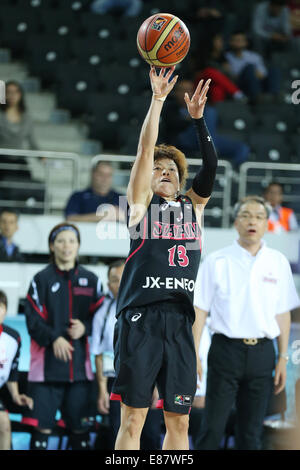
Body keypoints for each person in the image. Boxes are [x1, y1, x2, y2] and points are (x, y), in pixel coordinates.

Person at [110, 66, 218, 451]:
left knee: (180, 422)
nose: (164, 171)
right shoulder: (140, 207)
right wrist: (157, 101)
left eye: (171, 168)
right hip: (140, 318)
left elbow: (212, 167)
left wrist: (199, 120)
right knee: (134, 418)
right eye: (158, 169)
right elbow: (144, 150)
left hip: (179, 322)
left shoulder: (194, 208)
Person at [193, 195, 300, 450]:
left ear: (266, 224)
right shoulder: (216, 260)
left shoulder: (278, 261)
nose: (252, 221)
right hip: (225, 351)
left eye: (259, 217)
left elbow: (283, 313)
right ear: (236, 222)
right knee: (212, 428)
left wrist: (283, 357)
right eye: (246, 215)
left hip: (263, 353)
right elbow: (200, 310)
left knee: (251, 433)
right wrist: (195, 353)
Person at [22, 222, 104, 450]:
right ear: (52, 246)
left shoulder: (92, 280)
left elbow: (104, 319)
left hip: (80, 373)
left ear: (78, 245)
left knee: (80, 431)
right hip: (45, 374)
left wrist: (85, 328)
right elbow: (32, 319)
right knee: (41, 432)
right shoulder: (41, 279)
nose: (66, 246)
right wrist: (53, 338)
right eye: (60, 241)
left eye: (71, 241)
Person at [91, 259, 163, 450]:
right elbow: (98, 354)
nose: (120, 283)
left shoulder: (151, 308)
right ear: (108, 285)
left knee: (150, 435)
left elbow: (158, 351)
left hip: (147, 382)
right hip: (115, 382)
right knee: (120, 432)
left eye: (124, 277)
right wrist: (102, 391)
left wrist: (157, 387)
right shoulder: (102, 313)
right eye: (115, 280)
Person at [163, 79, 249, 167]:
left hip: (208, 138)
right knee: (209, 113)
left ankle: (233, 173)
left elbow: (217, 122)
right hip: (184, 138)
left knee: (242, 148)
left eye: (190, 90)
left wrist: (194, 117)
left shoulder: (201, 108)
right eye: (183, 90)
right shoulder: (169, 107)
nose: (186, 93)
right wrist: (193, 118)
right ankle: (210, 150)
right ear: (175, 92)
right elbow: (173, 124)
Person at [0, 290, 33, 450]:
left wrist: (16, 395)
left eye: (0, 307)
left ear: (6, 310)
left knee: (4, 425)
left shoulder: (13, 337)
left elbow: (11, 372)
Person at [225, 31, 281, 104]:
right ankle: (256, 97)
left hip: (257, 81)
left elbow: (263, 73)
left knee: (274, 70)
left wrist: (255, 74)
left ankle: (274, 96)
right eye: (236, 40)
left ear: (246, 43)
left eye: (241, 40)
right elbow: (231, 76)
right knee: (249, 68)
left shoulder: (254, 56)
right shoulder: (226, 57)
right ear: (231, 42)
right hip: (240, 85)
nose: (239, 42)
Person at [65, 159, 125, 223]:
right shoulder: (78, 196)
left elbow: (134, 221)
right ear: (93, 174)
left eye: (108, 175)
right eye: (101, 174)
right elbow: (70, 218)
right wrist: (104, 216)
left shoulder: (121, 198)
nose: (105, 178)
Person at [0, 81, 38, 181]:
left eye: (15, 92)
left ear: (20, 95)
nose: (12, 95)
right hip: (1, 160)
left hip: (19, 161)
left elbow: (33, 143)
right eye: (9, 92)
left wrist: (43, 159)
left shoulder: (27, 117)